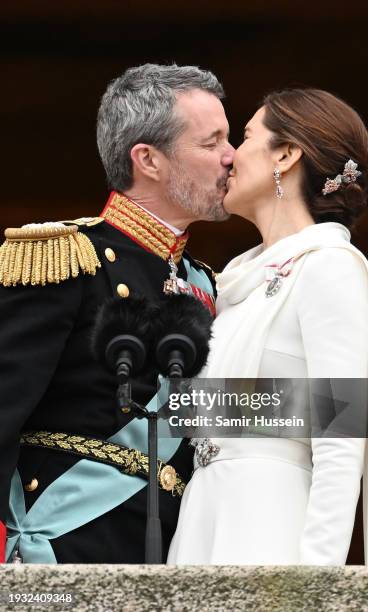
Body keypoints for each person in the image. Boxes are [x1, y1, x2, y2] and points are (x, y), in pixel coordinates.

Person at [0, 63, 234, 563]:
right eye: (211, 142)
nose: (231, 158)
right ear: (148, 159)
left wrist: (365, 414)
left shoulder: (206, 285)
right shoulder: (66, 259)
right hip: (59, 556)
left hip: (171, 558)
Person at [167, 88, 368, 566]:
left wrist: (315, 583)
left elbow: (341, 441)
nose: (230, 155)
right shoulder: (236, 284)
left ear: (285, 154)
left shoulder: (329, 267)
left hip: (269, 527)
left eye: (246, 136)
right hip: (200, 523)